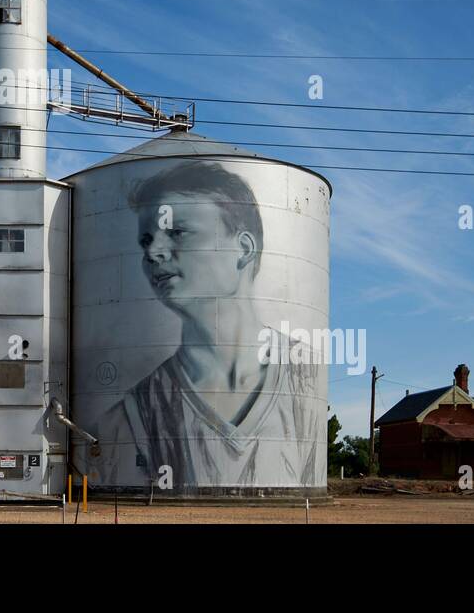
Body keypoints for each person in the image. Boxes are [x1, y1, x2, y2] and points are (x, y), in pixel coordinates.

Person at [93, 161, 322, 489]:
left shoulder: (306, 377)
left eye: (177, 232)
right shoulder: (129, 418)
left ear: (243, 248)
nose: (153, 252)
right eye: (146, 240)